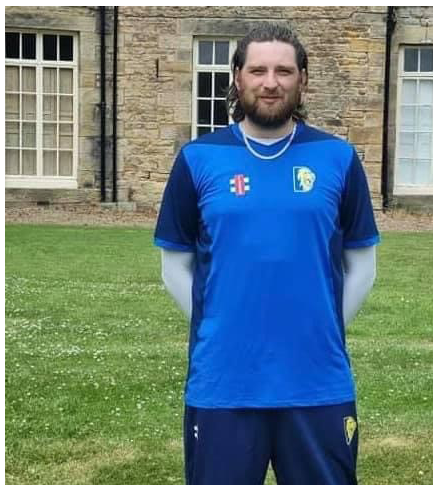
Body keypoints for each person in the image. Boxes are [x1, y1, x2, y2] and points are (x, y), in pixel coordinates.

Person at [153, 23, 380, 485]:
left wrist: (323, 326)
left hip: (317, 382)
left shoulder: (338, 157)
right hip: (223, 383)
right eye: (257, 69)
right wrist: (219, 324)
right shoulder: (198, 158)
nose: (270, 81)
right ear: (237, 77)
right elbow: (175, 265)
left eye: (283, 70)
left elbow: (362, 264)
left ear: (303, 79)